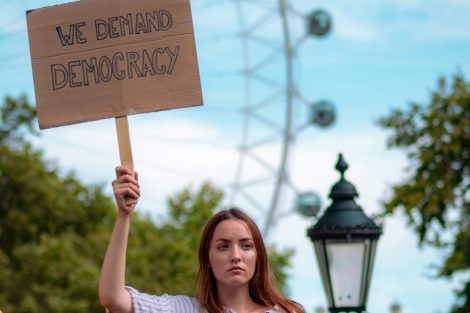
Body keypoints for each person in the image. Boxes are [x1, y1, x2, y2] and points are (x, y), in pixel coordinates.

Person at [99, 166, 305, 313]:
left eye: (246, 246)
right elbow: (113, 299)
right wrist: (124, 215)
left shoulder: (288, 311)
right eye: (223, 247)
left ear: (258, 255)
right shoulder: (183, 309)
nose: (236, 256)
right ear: (207, 258)